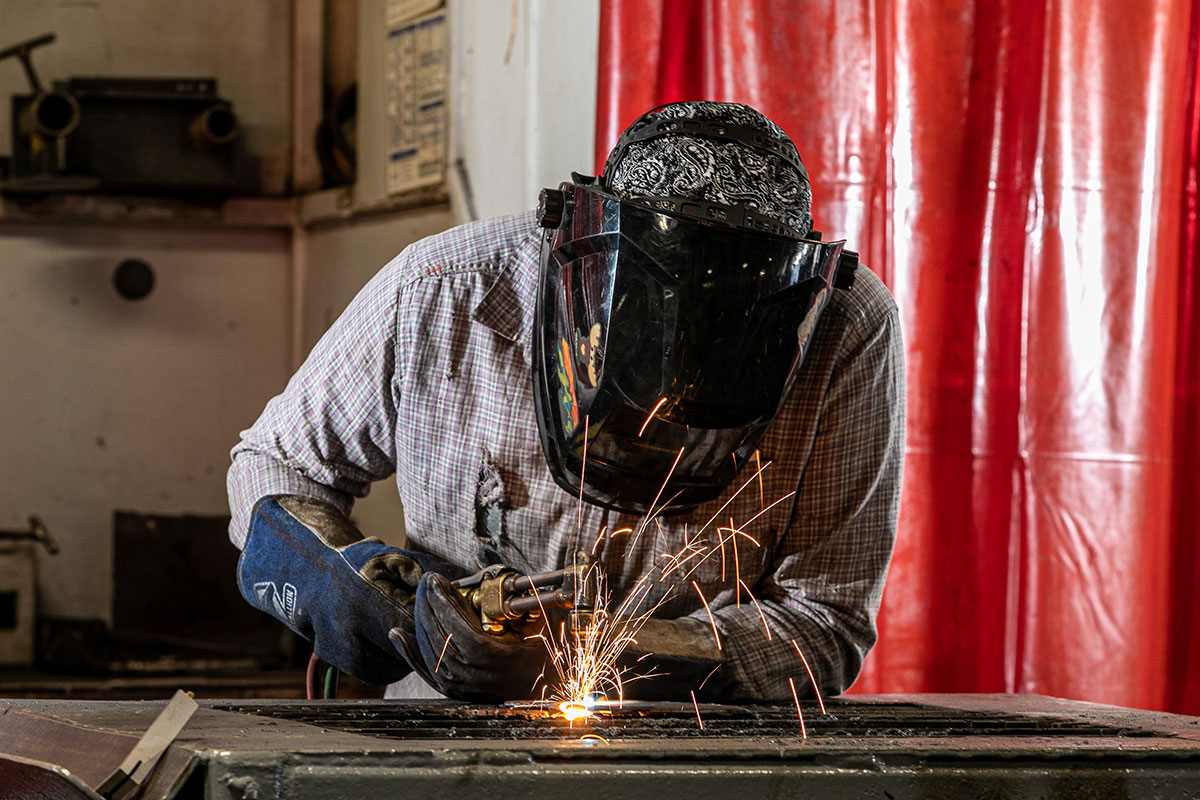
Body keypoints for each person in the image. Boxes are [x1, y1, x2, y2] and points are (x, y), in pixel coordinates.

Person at [228, 101, 904, 703]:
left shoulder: (843, 328)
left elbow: (825, 620)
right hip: (441, 752)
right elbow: (274, 463)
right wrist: (356, 584)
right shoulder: (444, 289)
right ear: (573, 255)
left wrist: (623, 650)